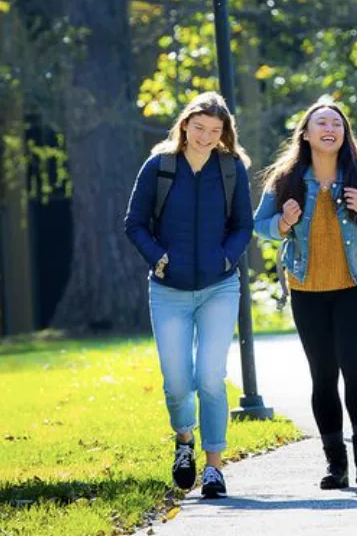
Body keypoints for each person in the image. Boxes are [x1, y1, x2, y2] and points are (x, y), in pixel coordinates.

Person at [253, 98, 357, 489]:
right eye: (321, 122)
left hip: (354, 287)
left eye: (336, 122)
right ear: (306, 133)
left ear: (345, 133)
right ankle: (336, 465)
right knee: (322, 376)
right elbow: (259, 225)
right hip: (307, 289)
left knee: (354, 367)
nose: (329, 128)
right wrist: (283, 221)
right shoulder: (285, 179)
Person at [124, 92, 253, 499]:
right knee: (178, 381)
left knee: (210, 377)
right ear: (184, 125)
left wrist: (225, 260)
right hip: (168, 291)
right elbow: (134, 224)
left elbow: (243, 226)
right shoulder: (159, 167)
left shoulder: (231, 169)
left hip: (219, 286)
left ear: (223, 133)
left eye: (214, 131)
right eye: (198, 128)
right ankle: (184, 443)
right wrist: (159, 259)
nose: (205, 137)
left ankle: (214, 468)